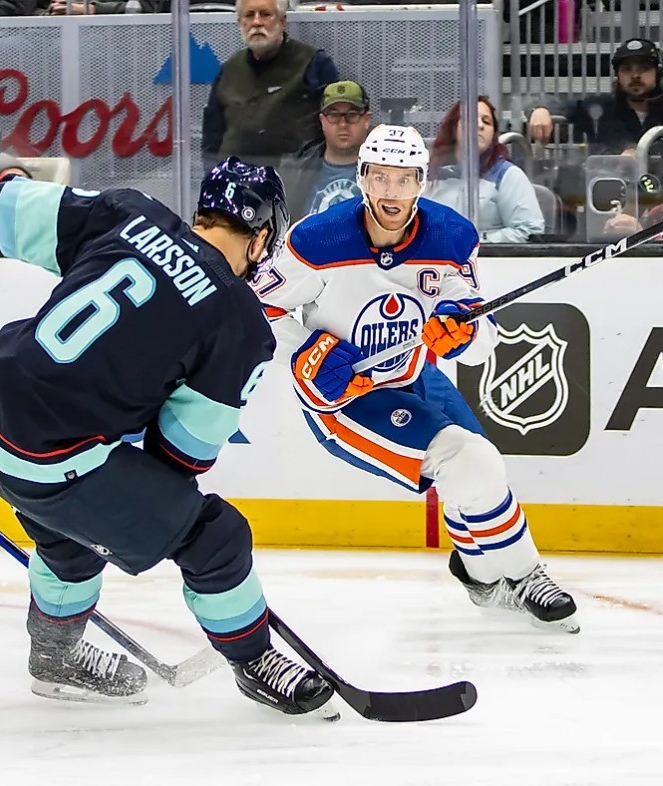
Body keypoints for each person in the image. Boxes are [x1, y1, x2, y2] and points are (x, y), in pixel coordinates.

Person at [0, 159, 339, 718]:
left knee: (72, 536)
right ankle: (254, 661)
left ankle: (55, 657)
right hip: (52, 459)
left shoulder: (129, 213)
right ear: (263, 237)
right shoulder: (239, 322)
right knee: (214, 537)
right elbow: (180, 456)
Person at [254, 125, 579, 634]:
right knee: (469, 463)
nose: (390, 191)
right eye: (379, 177)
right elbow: (258, 309)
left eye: (404, 179)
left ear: (421, 182)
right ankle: (523, 574)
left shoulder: (451, 236)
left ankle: (478, 572)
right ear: (361, 177)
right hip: (346, 400)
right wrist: (307, 353)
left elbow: (479, 328)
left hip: (413, 373)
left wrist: (462, 332)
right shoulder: (318, 240)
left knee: (480, 467)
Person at [201, 0, 339, 171]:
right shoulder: (228, 69)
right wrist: (212, 177)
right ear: (239, 22)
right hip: (232, 184)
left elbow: (335, 129)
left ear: (282, 21)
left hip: (293, 184)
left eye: (265, 14)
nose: (257, 22)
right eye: (249, 15)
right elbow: (211, 137)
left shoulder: (314, 63)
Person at [425, 96, 545, 243]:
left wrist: (475, 242)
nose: (480, 125)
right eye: (471, 119)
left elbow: (529, 231)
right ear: (453, 128)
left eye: (487, 122)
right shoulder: (430, 175)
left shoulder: (508, 175)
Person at [526, 38, 663, 156]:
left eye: (644, 68)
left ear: (657, 72)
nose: (635, 76)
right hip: (611, 183)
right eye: (626, 69)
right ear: (617, 75)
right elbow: (561, 106)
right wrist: (541, 110)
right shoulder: (602, 107)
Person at [289, 80, 373, 218]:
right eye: (334, 115)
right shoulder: (297, 170)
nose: (343, 124)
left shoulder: (385, 170)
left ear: (366, 120)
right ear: (322, 121)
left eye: (352, 115)